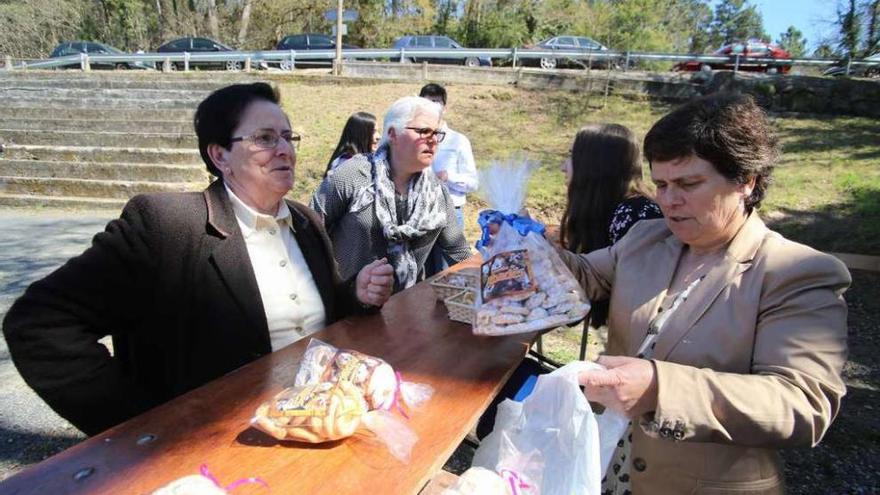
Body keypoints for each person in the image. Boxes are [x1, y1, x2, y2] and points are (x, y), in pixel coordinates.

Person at [2, 82, 394, 436]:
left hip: (313, 427)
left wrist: (354, 293)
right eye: (265, 138)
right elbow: (38, 323)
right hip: (210, 455)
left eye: (288, 137)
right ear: (220, 155)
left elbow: (319, 313)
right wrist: (137, 428)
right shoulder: (165, 227)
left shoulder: (305, 222)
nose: (284, 149)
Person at [556, 93, 850, 494]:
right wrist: (529, 251)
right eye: (660, 184)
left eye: (688, 183)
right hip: (607, 464)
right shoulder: (647, 238)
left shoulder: (795, 272)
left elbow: (801, 403)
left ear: (746, 180)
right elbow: (585, 275)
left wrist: (661, 388)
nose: (668, 200)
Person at [311, 95, 471, 293]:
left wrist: (493, 280)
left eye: (437, 133)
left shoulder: (437, 194)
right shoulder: (354, 175)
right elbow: (312, 231)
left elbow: (458, 250)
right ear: (393, 135)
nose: (433, 140)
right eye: (423, 131)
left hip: (405, 306)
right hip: (347, 308)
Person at [559, 123, 662, 330]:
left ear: (594, 165)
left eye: (572, 156)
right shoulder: (613, 209)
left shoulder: (637, 215)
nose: (563, 166)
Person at [418, 83, 478, 228]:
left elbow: (473, 183)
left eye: (436, 102)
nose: (432, 107)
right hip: (418, 212)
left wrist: (449, 177)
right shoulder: (413, 138)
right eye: (427, 103)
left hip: (450, 212)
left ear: (445, 108)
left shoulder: (459, 141)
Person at [325, 111, 380, 177]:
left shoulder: (365, 160)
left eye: (377, 131)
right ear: (360, 135)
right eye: (373, 132)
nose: (379, 136)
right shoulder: (345, 165)